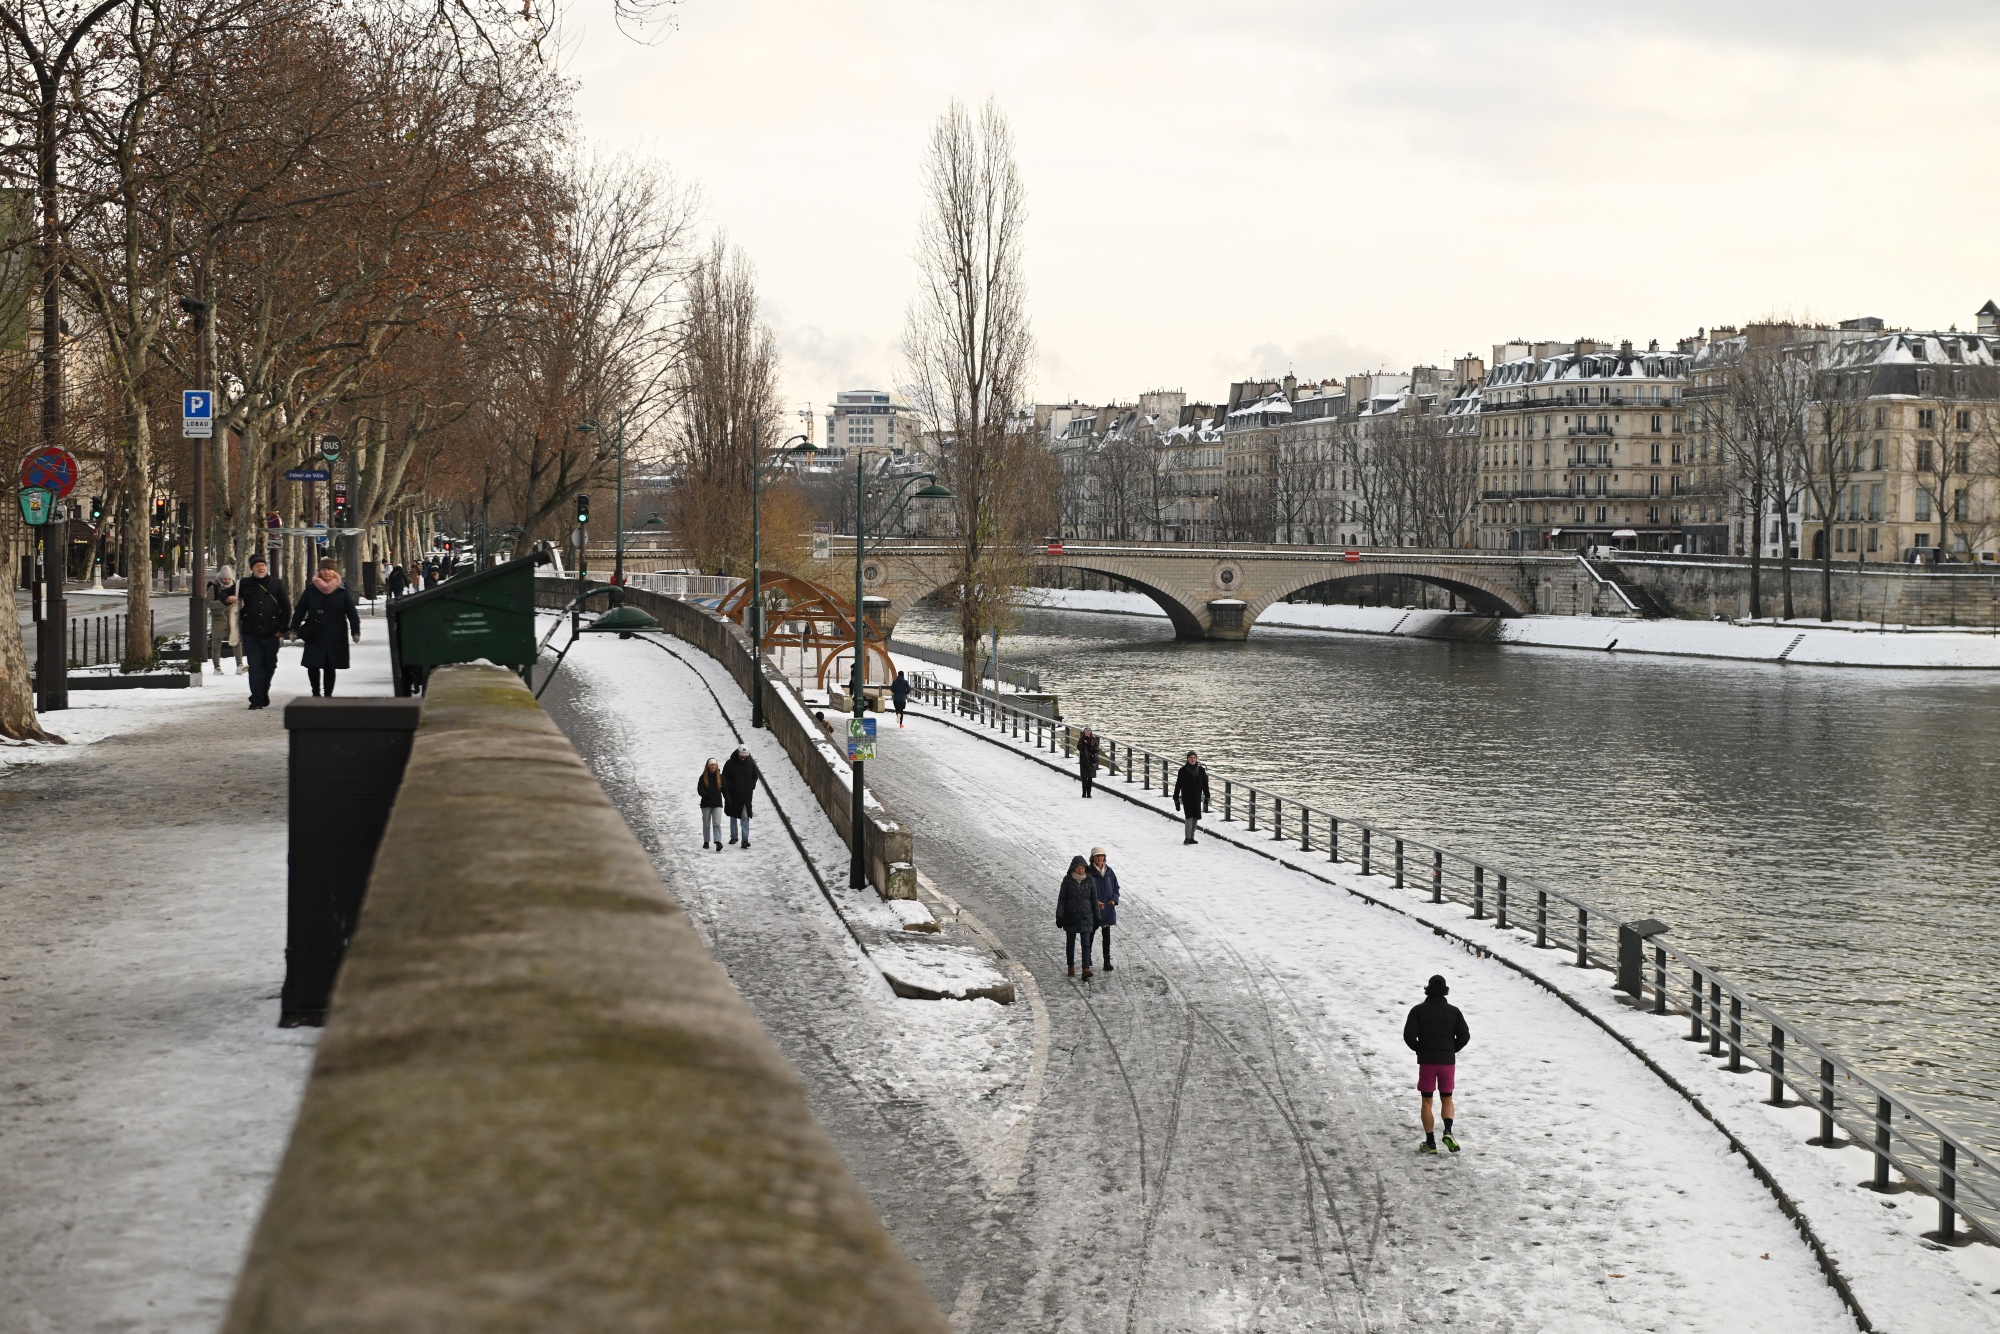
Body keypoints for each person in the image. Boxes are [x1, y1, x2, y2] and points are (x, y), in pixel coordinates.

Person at [1403, 974, 1471, 1154]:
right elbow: (1464, 1036)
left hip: (1427, 1062)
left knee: (1427, 1100)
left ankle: (1430, 1142)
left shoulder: (1418, 1010)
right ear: (1444, 991)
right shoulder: (1454, 1011)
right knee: (1447, 1097)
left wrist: (1420, 1049)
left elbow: (1409, 1036)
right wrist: (1450, 1050)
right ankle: (1448, 1131)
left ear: (1428, 989)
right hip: (1447, 1063)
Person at [291, 560, 362, 697]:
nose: (326, 572)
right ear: (319, 571)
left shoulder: (342, 591)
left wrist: (355, 631)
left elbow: (352, 613)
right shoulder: (311, 590)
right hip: (315, 633)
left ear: (335, 572)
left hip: (335, 634)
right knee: (313, 664)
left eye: (329, 569)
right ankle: (316, 692)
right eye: (323, 569)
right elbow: (299, 611)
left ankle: (328, 694)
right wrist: (294, 629)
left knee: (330, 666)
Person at [236, 555, 290, 710]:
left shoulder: (276, 584)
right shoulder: (244, 584)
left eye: (263, 565)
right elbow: (223, 594)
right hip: (251, 633)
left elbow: (286, 608)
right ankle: (256, 699)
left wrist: (282, 629)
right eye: (257, 566)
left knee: (270, 666)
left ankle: (263, 691)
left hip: (271, 633)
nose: (261, 568)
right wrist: (230, 597)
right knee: (255, 666)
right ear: (252, 568)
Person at [1056, 854, 1099, 978]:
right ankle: (1071, 966)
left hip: (1086, 916)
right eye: (1078, 868)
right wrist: (1059, 915)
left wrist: (1097, 917)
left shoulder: (1090, 881)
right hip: (1070, 916)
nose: (1081, 871)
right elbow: (1062, 899)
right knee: (1070, 943)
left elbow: (1094, 899)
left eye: (1083, 868)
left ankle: (1085, 969)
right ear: (1073, 869)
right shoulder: (1067, 880)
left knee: (1086, 943)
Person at [206, 565, 244, 675]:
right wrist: (223, 602)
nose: (226, 581)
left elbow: (242, 600)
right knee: (216, 643)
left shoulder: (236, 587)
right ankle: (216, 667)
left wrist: (238, 603)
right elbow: (208, 603)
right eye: (224, 579)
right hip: (219, 619)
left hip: (233, 617)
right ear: (220, 578)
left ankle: (240, 665)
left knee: (236, 641)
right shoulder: (214, 588)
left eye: (228, 579)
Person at [1086, 846, 1119, 972]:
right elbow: (1085, 890)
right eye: (1097, 856)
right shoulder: (1089, 873)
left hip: (1108, 908)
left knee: (1106, 936)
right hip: (1094, 909)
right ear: (1093, 858)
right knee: (1090, 934)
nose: (1100, 858)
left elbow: (1116, 887)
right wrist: (1095, 902)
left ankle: (1107, 961)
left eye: (1102, 856)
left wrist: (1114, 900)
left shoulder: (1109, 871)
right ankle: (1087, 959)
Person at [721, 745, 759, 848]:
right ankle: (734, 836)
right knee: (733, 815)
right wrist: (732, 788)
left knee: (745, 816)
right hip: (734, 796)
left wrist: (751, 785)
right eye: (741, 755)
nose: (743, 757)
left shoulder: (750, 764)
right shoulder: (729, 764)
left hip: (746, 796)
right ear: (737, 753)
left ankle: (745, 840)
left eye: (745, 755)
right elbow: (724, 778)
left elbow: (755, 776)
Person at [1172, 750, 1211, 845]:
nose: (1193, 759)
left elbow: (1205, 785)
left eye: (1194, 758)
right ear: (1187, 759)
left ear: (1196, 759)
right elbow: (1178, 785)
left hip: (1197, 797)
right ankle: (1187, 838)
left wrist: (1207, 797)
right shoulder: (1182, 771)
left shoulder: (1201, 770)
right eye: (1191, 758)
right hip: (1187, 797)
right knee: (1189, 816)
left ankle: (1192, 837)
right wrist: (1176, 798)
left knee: (1195, 817)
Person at [696, 758, 725, 851]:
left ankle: (718, 841)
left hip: (717, 803)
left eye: (714, 765)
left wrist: (728, 799)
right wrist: (706, 795)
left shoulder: (720, 777)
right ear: (708, 766)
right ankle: (706, 841)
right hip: (706, 804)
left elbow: (725, 790)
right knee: (706, 823)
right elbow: (700, 789)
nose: (713, 767)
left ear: (717, 766)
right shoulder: (703, 777)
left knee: (717, 823)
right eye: (711, 765)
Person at [1077, 727, 1101, 799]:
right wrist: (1084, 743)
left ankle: (1089, 793)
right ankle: (1084, 793)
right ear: (1084, 733)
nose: (1087, 733)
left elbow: (1096, 749)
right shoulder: (1081, 740)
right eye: (1086, 732)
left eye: (1088, 732)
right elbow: (1079, 748)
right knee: (1084, 777)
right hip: (1084, 760)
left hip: (1091, 760)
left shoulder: (1094, 740)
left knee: (1090, 778)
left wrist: (1091, 748)